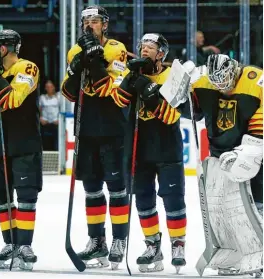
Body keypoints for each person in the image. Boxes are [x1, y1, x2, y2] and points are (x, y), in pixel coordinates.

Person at [61, 5, 130, 269]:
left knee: (116, 187)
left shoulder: (116, 48)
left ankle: (119, 240)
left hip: (112, 126)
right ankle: (96, 240)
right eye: (86, 20)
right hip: (86, 127)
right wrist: (80, 63)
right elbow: (69, 93)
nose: (91, 24)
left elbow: (112, 89)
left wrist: (93, 60)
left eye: (96, 20)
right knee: (91, 188)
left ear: (105, 24)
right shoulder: (74, 51)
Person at [181, 54, 262, 276]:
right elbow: (190, 112)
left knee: (251, 206)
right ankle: (231, 252)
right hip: (218, 155)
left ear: (234, 69)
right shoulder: (204, 82)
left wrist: (246, 152)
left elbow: (260, 125)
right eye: (218, 84)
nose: (223, 87)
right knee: (220, 209)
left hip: (250, 151)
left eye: (226, 81)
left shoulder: (256, 80)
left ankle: (257, 250)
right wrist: (179, 89)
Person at [117, 33, 187, 273]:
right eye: (142, 46)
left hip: (167, 148)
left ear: (161, 53)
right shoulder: (133, 75)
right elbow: (118, 101)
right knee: (144, 200)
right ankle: (152, 246)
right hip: (138, 149)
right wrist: (131, 80)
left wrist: (147, 90)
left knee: (173, 199)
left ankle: (178, 244)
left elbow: (171, 116)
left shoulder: (172, 76)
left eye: (151, 47)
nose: (144, 50)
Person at [0, 29, 42, 270]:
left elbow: (14, 100)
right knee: (0, 196)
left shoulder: (28, 67)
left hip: (24, 141)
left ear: (3, 48)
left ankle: (24, 244)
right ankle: (9, 243)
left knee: (25, 194)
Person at [39, 80, 60, 151]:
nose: (49, 88)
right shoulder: (42, 98)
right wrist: (40, 118)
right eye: (47, 87)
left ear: (54, 87)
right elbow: (39, 109)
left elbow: (62, 108)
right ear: (45, 88)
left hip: (55, 123)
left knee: (56, 142)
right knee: (45, 142)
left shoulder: (58, 97)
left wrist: (59, 120)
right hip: (45, 123)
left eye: (51, 87)